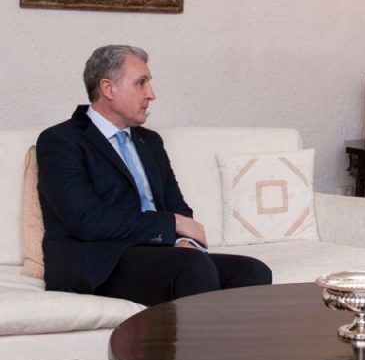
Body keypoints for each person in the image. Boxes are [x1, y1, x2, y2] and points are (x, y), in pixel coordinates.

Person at [36, 45, 272, 306]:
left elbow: (177, 206)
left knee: (253, 271)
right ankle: (193, 334)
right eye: (141, 83)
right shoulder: (61, 141)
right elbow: (87, 220)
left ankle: (222, 336)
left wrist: (185, 240)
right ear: (108, 88)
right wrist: (171, 225)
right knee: (191, 266)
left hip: (160, 257)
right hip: (97, 261)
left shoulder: (150, 142)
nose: (151, 94)